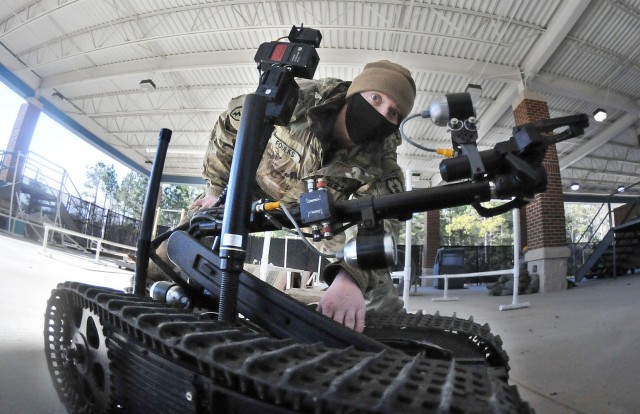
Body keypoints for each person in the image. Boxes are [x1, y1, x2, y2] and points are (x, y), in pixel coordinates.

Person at [152, 60, 416, 333]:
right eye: (376, 98)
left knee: (376, 288)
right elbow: (230, 124)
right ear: (356, 92)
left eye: (394, 112)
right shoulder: (300, 98)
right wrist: (216, 189)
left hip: (315, 216)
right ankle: (149, 290)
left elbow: (382, 224)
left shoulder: (381, 162)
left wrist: (350, 279)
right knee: (193, 228)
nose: (382, 113)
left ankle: (382, 340)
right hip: (253, 182)